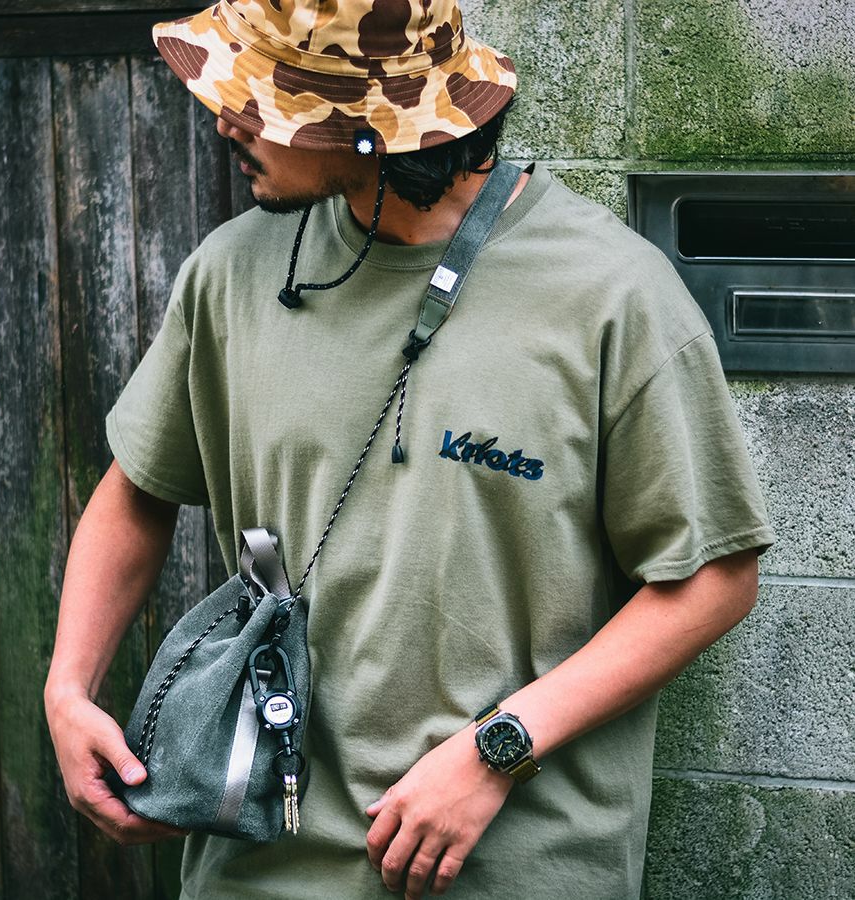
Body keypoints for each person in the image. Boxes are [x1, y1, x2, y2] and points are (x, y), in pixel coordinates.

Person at [44, 1, 776, 898]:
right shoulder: (231, 272)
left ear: (370, 130)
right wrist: (67, 689)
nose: (227, 120)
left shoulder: (614, 295)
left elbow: (713, 579)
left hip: (510, 870)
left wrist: (498, 749)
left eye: (263, 101)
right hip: (257, 861)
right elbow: (138, 491)